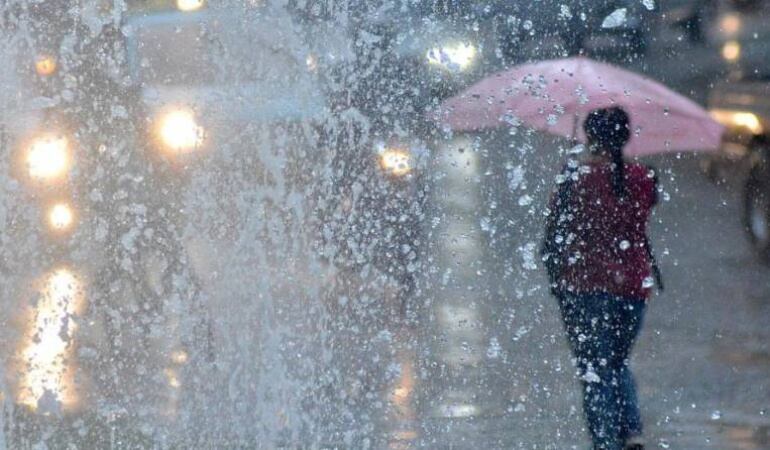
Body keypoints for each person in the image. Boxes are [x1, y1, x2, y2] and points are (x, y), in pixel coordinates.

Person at [542, 107, 659, 450]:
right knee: (617, 362)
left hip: (584, 285)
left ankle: (604, 442)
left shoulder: (575, 177)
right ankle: (631, 431)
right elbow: (644, 207)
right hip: (633, 287)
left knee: (594, 370)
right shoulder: (643, 178)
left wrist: (570, 172)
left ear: (590, 137)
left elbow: (555, 228)